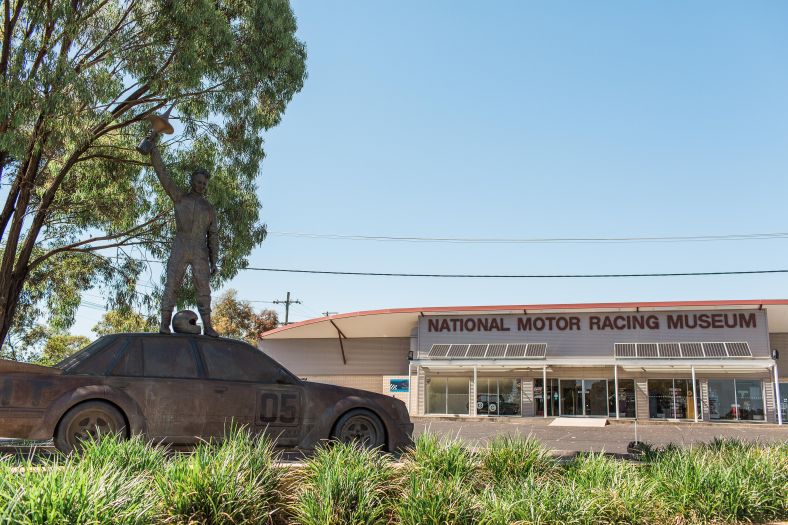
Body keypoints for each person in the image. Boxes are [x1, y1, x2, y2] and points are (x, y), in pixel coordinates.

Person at [146, 132, 219, 337]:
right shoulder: (180, 198)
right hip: (181, 245)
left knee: (204, 290)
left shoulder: (209, 208)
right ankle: (164, 324)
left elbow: (213, 236)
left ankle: (208, 326)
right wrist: (154, 150)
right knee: (171, 285)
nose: (201, 186)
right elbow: (164, 175)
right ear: (191, 181)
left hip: (200, 251)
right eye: (198, 182)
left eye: (204, 183)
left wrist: (215, 261)